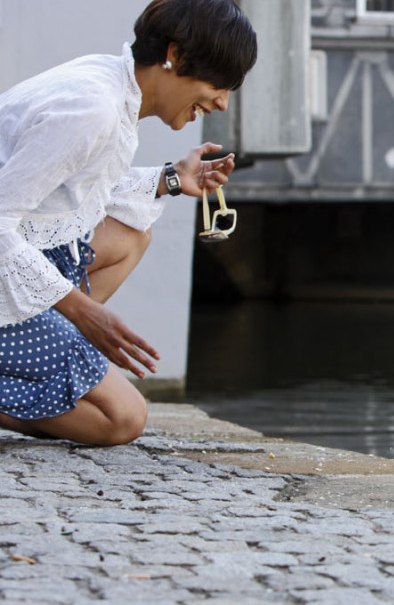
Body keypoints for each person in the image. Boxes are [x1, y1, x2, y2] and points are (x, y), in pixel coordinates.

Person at [0, 0, 257, 446]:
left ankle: (41, 350)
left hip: (19, 248)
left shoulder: (111, 85)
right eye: (220, 83)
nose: (221, 102)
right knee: (121, 419)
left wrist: (173, 179)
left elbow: (74, 192)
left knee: (131, 236)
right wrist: (82, 312)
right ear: (174, 55)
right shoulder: (93, 109)